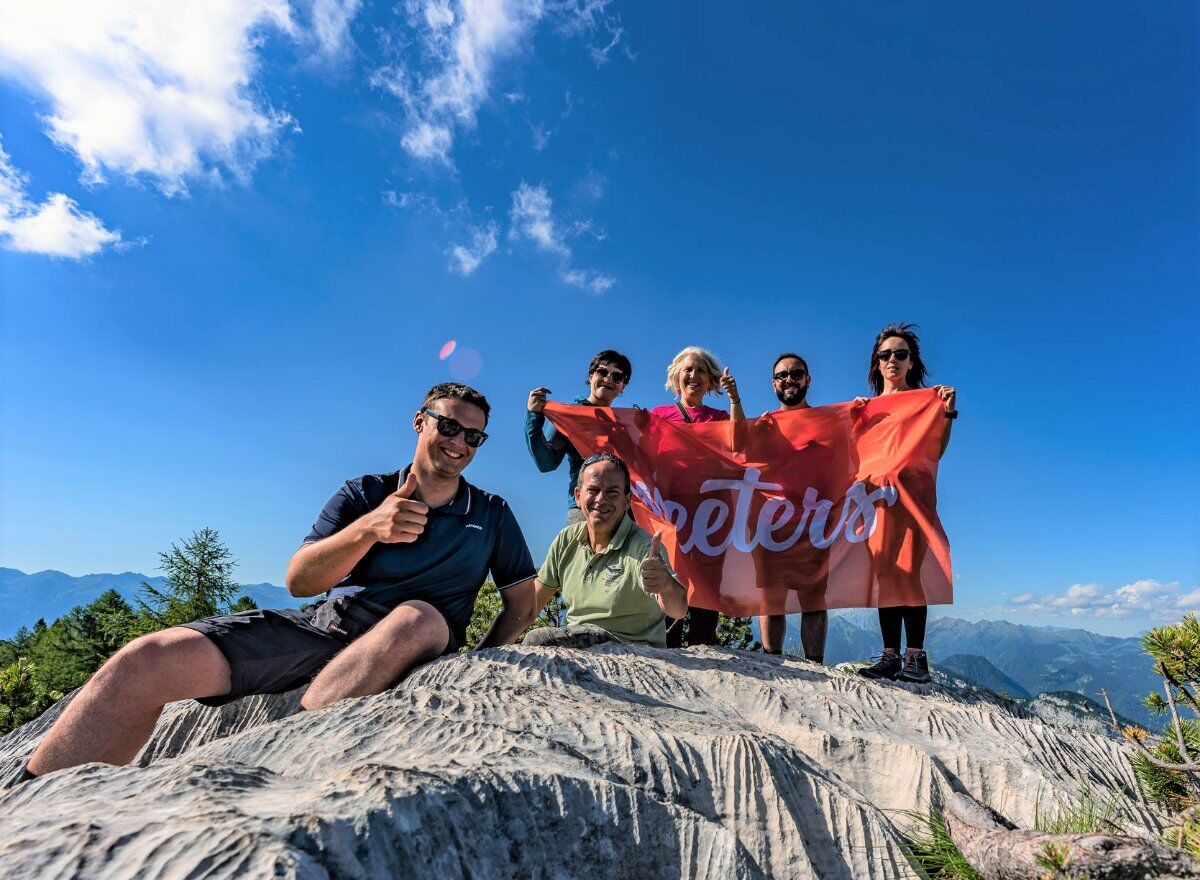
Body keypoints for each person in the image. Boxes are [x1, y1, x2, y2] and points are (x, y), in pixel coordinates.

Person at [22, 383, 538, 780]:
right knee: (146, 660)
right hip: (328, 629)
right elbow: (299, 580)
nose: (461, 443)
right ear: (420, 422)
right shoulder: (365, 492)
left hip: (421, 640)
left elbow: (521, 603)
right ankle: (26, 813)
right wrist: (369, 528)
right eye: (450, 427)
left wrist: (476, 661)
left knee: (416, 617)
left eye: (475, 436)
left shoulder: (490, 514)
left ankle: (289, 753)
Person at [856, 324, 956, 684]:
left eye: (900, 354)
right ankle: (890, 655)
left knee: (909, 571)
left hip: (914, 497)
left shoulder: (924, 401)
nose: (892, 360)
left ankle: (915, 658)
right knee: (885, 572)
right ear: (876, 363)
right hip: (877, 501)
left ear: (912, 361)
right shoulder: (865, 409)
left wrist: (947, 413)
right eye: (885, 355)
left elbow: (936, 452)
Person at [525, 453, 688, 648]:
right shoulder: (566, 540)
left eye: (612, 492)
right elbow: (527, 608)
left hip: (633, 651)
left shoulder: (644, 548)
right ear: (578, 496)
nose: (601, 499)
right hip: (581, 650)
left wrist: (666, 585)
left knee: (539, 640)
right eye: (593, 490)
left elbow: (678, 610)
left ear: (627, 501)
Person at [649, 346, 743, 646]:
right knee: (670, 571)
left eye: (701, 370)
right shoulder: (657, 415)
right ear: (676, 375)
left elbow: (740, 442)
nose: (694, 375)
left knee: (707, 578)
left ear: (710, 379)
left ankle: (704, 643)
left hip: (712, 511)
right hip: (670, 510)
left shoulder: (719, 415)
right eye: (688, 369)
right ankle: (667, 643)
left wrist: (734, 400)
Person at [757, 352, 829, 663]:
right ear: (773, 383)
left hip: (814, 522)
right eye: (782, 375)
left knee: (813, 599)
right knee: (771, 600)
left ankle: (815, 668)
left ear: (807, 379)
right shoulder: (764, 424)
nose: (789, 379)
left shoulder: (828, 421)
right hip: (771, 523)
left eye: (796, 373)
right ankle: (772, 662)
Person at [526, 350, 633, 525]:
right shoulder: (570, 416)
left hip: (622, 513)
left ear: (623, 386)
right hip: (585, 510)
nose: (608, 379)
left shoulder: (625, 426)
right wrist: (533, 416)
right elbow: (546, 463)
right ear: (591, 376)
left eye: (617, 376)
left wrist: (647, 429)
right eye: (602, 372)